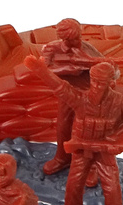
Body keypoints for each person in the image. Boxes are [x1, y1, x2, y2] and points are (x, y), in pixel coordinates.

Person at [24, 55, 123, 205]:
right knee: (74, 182)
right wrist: (41, 70)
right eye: (95, 81)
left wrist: (116, 140)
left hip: (104, 152)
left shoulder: (121, 102)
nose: (97, 86)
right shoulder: (81, 99)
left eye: (102, 82)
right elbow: (60, 87)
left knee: (111, 187)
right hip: (81, 149)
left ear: (111, 82)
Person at [38, 18, 104, 176]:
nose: (77, 42)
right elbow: (42, 69)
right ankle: (63, 157)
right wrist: (69, 69)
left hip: (88, 94)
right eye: (73, 39)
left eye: (78, 37)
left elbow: (108, 68)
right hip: (67, 93)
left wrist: (94, 67)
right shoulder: (52, 48)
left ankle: (90, 164)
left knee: (89, 129)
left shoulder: (87, 48)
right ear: (63, 39)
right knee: (63, 126)